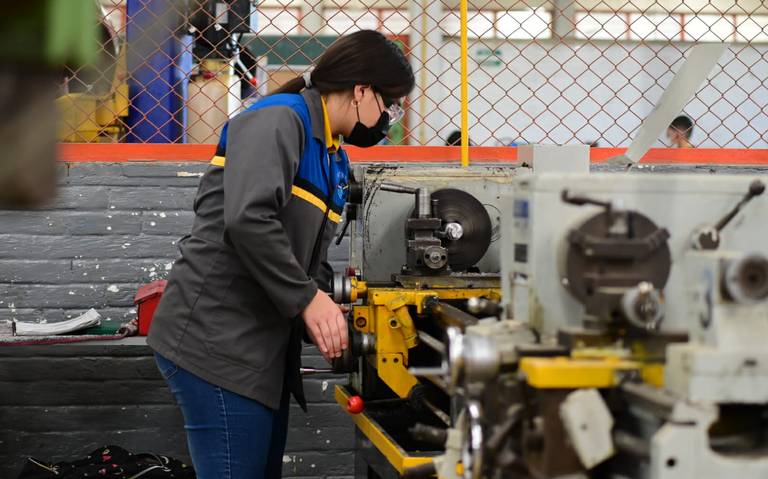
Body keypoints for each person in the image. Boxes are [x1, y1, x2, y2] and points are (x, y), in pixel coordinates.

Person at [147, 30, 414, 479]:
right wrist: (309, 301)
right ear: (361, 90)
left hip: (259, 348)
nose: (389, 115)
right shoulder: (277, 122)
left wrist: (344, 310)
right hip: (218, 342)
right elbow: (248, 220)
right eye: (390, 102)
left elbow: (309, 262)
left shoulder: (332, 156)